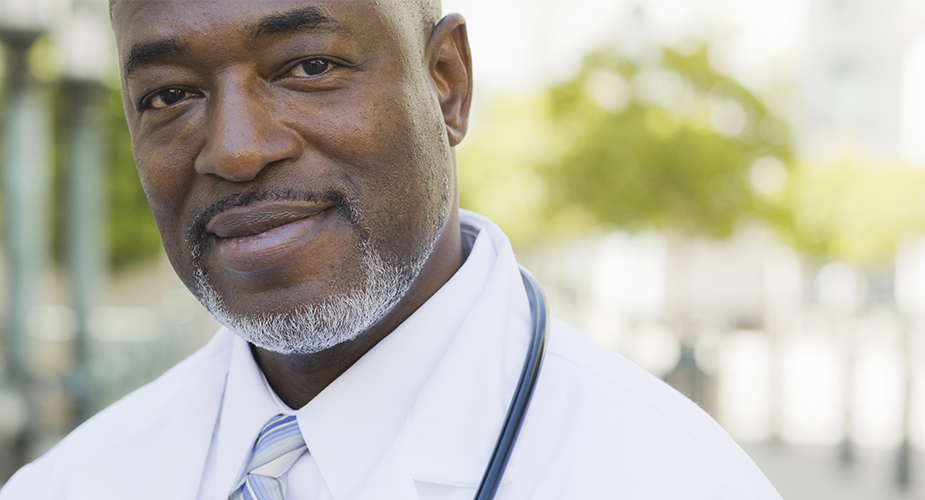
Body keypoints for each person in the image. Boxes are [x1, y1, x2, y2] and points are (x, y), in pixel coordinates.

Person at [1, 1, 781, 498]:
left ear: (447, 83)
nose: (235, 151)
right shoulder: (71, 483)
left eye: (308, 67)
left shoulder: (674, 478)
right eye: (170, 94)